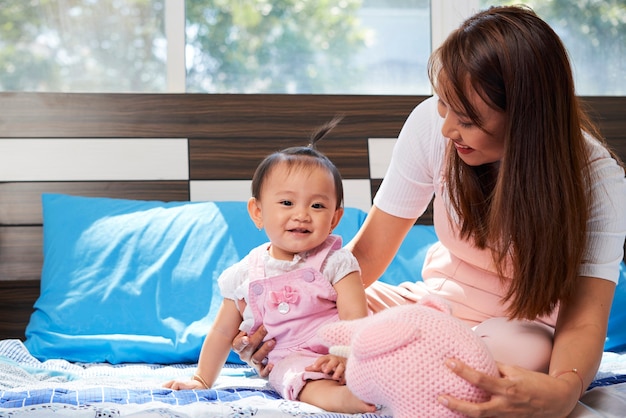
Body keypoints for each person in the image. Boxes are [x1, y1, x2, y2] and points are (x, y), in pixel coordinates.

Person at [232, 5, 626, 417]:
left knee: (493, 366)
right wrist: (289, 321)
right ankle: (383, 368)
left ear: (528, 117)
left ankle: (384, 371)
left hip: (520, 329)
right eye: (443, 104)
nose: (447, 128)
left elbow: (584, 318)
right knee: (345, 317)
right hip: (429, 308)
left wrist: (564, 390)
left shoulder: (597, 178)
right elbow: (363, 258)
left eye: (468, 119)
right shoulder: (430, 128)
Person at [164, 119, 375, 414]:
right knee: (297, 379)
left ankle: (387, 384)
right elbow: (223, 333)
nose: (302, 214)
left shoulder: (336, 262)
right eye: (287, 202)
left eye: (317, 206)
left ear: (335, 219)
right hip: (293, 358)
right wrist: (201, 379)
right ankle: (347, 402)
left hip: (348, 350)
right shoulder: (243, 275)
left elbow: (355, 314)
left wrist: (345, 354)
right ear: (258, 212)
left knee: (385, 356)